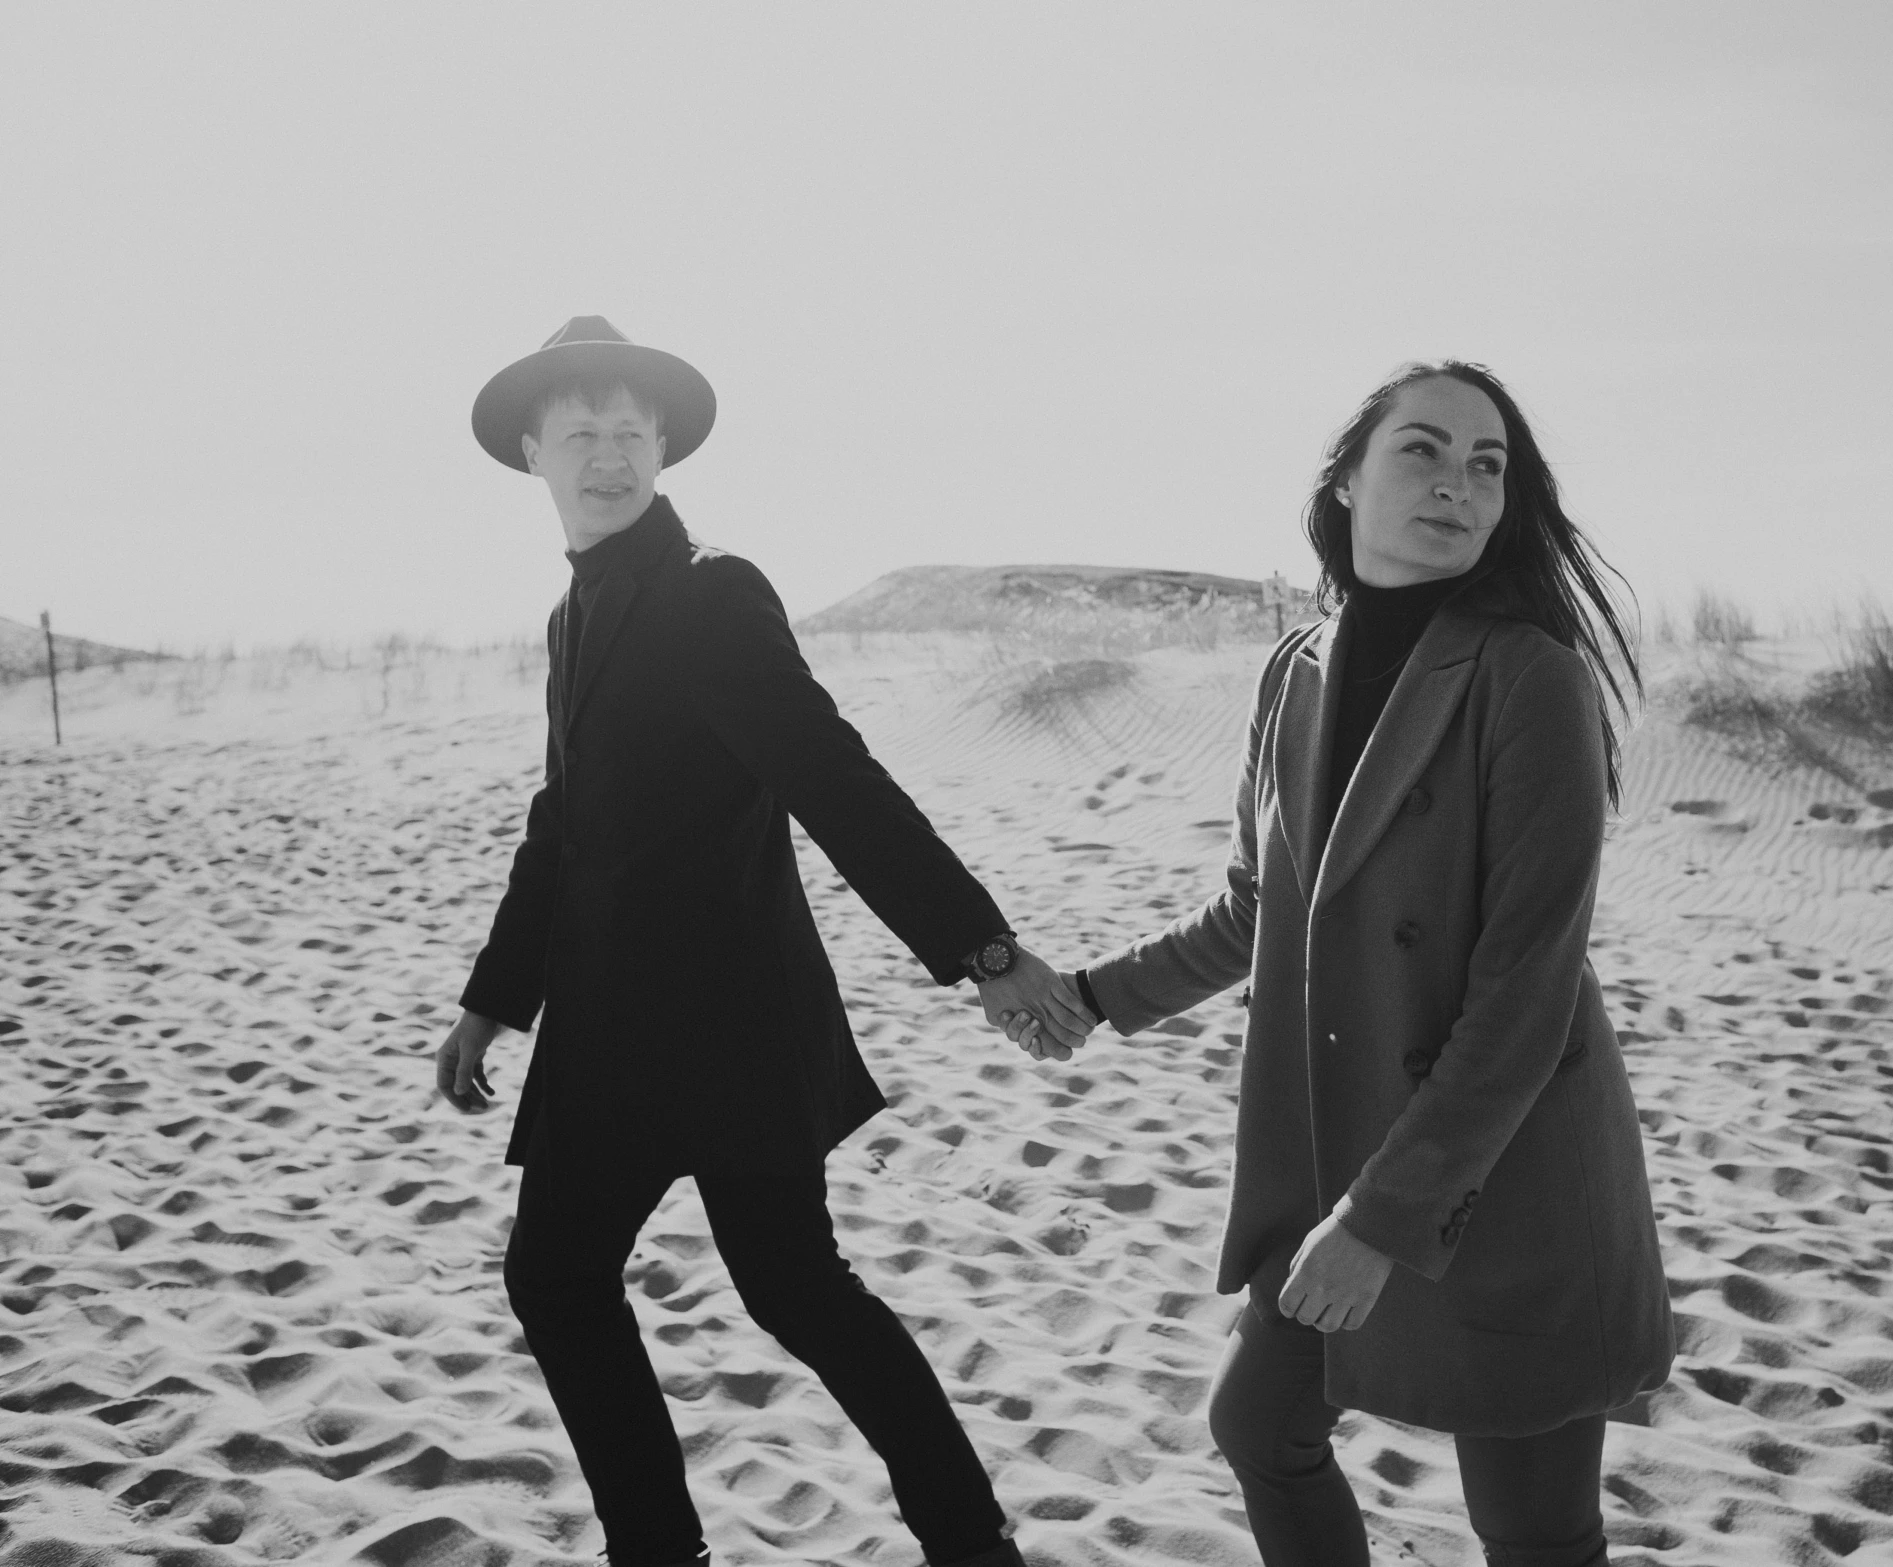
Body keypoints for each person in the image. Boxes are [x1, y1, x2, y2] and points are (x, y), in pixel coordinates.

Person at [1006, 362, 1675, 1565]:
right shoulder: (1296, 668)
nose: (1458, 485)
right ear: (1347, 480)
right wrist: (1093, 1000)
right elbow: (1255, 911)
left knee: (1532, 1531)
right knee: (1259, 1425)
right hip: (1342, 1147)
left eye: (1487, 466)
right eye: (1422, 451)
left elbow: (1521, 1000)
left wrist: (1379, 1221)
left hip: (1502, 1175)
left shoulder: (1529, 675)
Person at [436, 317, 1077, 1567]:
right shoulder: (575, 613)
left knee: (784, 1287)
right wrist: (493, 1002)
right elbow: (564, 824)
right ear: (532, 451)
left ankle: (964, 1539)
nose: (610, 457)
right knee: (571, 1281)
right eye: (583, 435)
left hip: (731, 1027)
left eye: (632, 433)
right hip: (612, 1032)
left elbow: (834, 780)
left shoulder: (707, 593)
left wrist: (983, 955)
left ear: (665, 443)